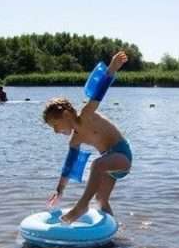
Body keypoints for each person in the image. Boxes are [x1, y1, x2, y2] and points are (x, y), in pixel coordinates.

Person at [43, 51, 131, 224]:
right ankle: (112, 230)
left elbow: (98, 94)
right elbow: (69, 166)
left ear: (67, 115)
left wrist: (112, 68)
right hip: (109, 163)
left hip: (122, 156)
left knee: (97, 164)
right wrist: (59, 190)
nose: (55, 131)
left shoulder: (86, 114)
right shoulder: (75, 139)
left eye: (55, 125)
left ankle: (81, 206)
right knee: (101, 199)